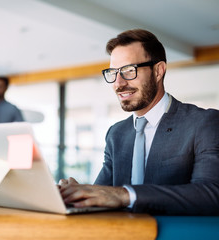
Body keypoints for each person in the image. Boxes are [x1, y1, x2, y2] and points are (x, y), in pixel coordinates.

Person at [59, 29, 219, 215]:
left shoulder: (204, 123)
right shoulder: (116, 133)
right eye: (113, 72)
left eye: (128, 71)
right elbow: (103, 194)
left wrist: (126, 195)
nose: (118, 83)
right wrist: (77, 195)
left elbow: (212, 194)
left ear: (158, 71)